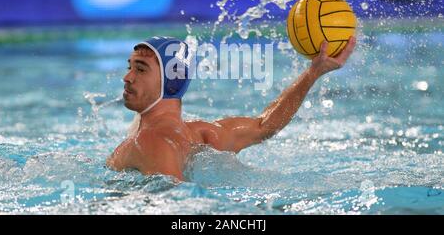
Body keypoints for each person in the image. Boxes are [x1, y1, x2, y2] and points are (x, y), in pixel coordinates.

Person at [107, 35, 357, 181]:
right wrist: (314, 72)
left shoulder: (151, 140)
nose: (127, 77)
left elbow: (177, 207)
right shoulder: (203, 135)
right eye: (130, 66)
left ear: (171, 81)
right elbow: (264, 126)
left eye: (140, 69)